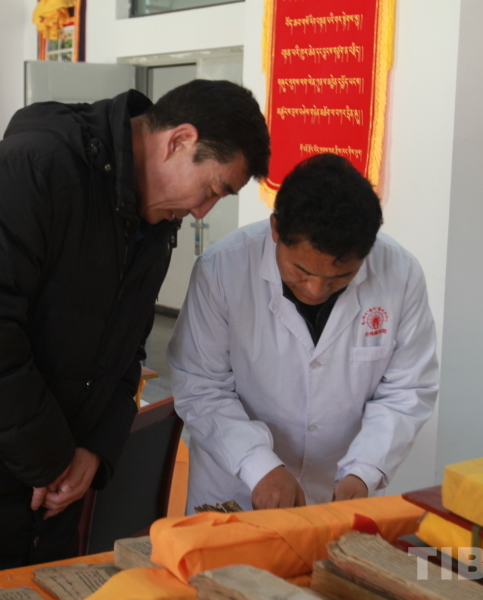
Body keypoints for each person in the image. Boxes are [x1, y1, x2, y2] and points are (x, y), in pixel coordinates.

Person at [0, 80, 270, 592]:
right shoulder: (29, 172)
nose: (202, 211)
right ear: (179, 141)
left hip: (39, 502)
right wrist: (55, 461)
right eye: (211, 189)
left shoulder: (150, 225)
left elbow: (127, 351)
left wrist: (95, 452)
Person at [167, 153, 438, 512]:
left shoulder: (400, 274)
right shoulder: (222, 270)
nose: (315, 290)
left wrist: (364, 470)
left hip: (337, 490)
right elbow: (201, 387)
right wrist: (258, 465)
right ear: (275, 229)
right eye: (300, 271)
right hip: (235, 486)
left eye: (340, 277)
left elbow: (407, 389)